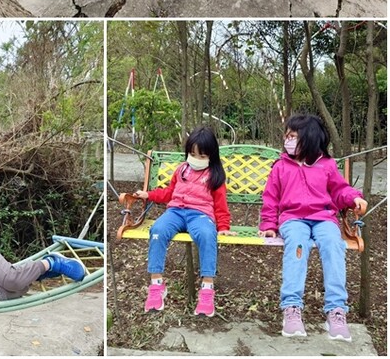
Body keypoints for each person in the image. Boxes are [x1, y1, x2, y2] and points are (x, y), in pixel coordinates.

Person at [259, 114, 367, 341]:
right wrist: (269, 224)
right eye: (286, 136)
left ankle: (336, 311)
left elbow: (339, 190)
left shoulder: (326, 165)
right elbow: (271, 198)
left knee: (333, 244)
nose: (287, 140)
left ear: (308, 139)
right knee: (297, 245)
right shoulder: (280, 166)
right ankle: (291, 309)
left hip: (323, 218)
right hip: (293, 219)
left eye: (293, 136)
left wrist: (354, 198)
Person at [119, 127, 233, 317]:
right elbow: (169, 192)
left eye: (201, 155)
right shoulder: (182, 170)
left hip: (200, 214)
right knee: (157, 230)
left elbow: (221, 205)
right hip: (175, 212)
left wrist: (223, 227)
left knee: (207, 234)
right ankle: (156, 285)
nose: (196, 158)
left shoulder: (215, 176)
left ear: (211, 155)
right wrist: (149, 194)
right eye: (192, 154)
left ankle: (207, 288)